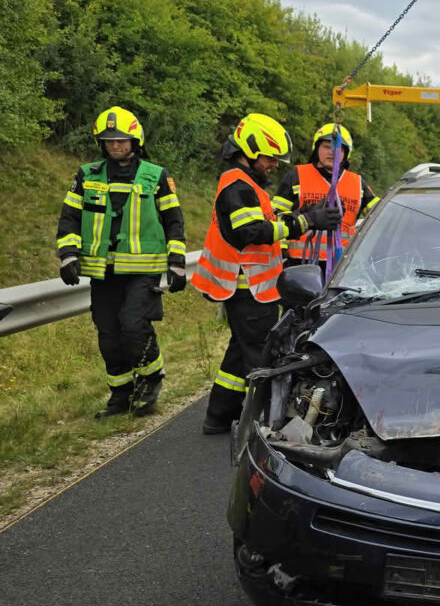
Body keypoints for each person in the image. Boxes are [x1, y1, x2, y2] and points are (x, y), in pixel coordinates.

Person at [192, 113, 340, 435]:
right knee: (261, 357)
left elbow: (268, 222)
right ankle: (265, 425)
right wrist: (306, 222)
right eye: (270, 158)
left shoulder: (247, 185)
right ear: (250, 150)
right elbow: (253, 232)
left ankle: (218, 416)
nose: (274, 164)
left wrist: (302, 216)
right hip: (245, 286)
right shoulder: (238, 186)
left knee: (238, 353)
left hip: (251, 287)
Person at [56, 106, 187, 418]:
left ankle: (151, 379)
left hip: (143, 271)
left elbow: (174, 221)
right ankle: (120, 397)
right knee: (108, 336)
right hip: (104, 271)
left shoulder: (156, 176)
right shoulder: (86, 175)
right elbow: (70, 218)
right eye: (109, 140)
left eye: (122, 140)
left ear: (135, 140)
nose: (116, 145)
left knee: (133, 326)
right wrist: (69, 254)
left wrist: (177, 261)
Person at [272, 123, 380, 269]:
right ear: (317, 149)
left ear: (346, 153)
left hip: (342, 266)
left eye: (338, 148)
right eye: (326, 147)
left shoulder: (358, 183)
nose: (332, 152)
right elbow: (276, 215)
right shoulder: (296, 175)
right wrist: (281, 247)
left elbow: (381, 215)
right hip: (300, 262)